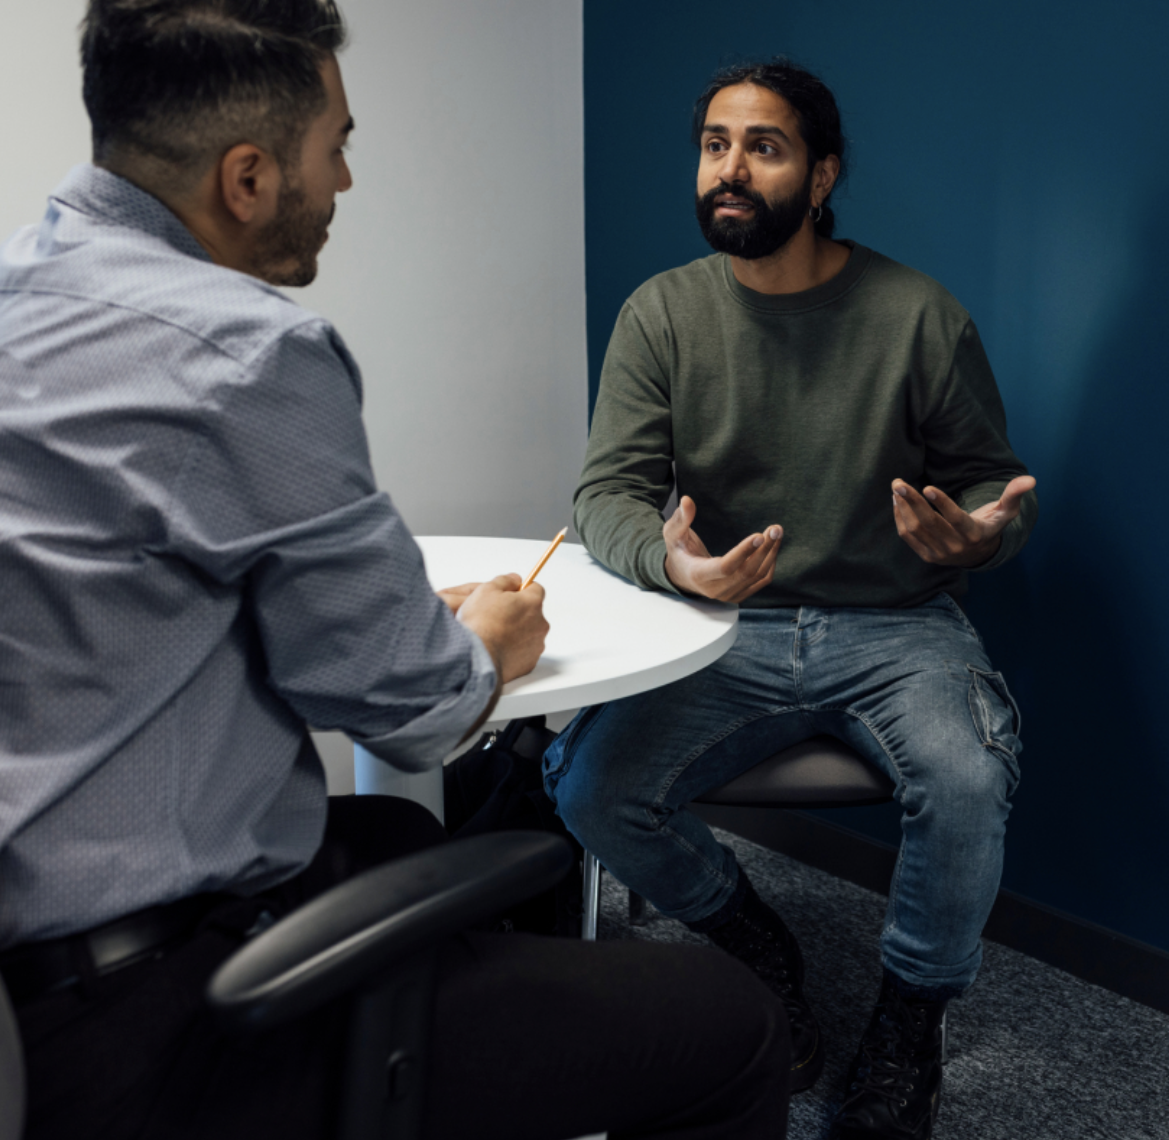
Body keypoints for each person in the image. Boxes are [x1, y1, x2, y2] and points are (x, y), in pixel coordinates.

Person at [0, 3, 789, 1138]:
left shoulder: (25, 290)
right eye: (338, 146)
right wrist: (486, 647)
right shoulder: (246, 353)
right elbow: (415, 713)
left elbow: (132, 595)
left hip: (30, 947)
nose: (346, 180)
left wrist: (388, 623)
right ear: (247, 178)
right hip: (141, 1021)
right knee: (731, 1025)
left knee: (402, 839)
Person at [548, 59, 1038, 1140]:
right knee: (589, 787)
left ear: (821, 177)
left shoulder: (918, 314)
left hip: (896, 623)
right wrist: (675, 568)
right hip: (725, 624)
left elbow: (989, 485)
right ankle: (753, 940)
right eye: (714, 145)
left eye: (762, 147)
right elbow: (605, 496)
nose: (730, 168)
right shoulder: (662, 314)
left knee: (968, 777)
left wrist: (980, 531)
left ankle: (908, 1026)